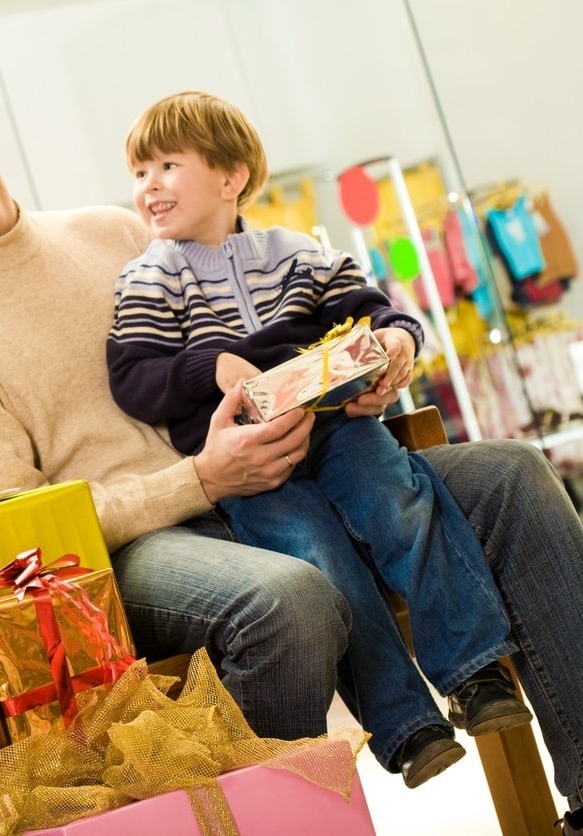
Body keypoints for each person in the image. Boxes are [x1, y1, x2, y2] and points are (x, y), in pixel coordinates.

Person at [0, 42, 583, 830]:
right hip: (136, 547)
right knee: (288, 600)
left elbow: (274, 299)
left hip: (281, 472)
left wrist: (365, 361)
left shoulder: (114, 233)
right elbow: (13, 542)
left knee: (510, 476)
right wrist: (200, 481)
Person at [105, 90, 530, 786]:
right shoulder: (149, 278)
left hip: (337, 426)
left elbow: (375, 312)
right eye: (138, 172)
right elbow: (134, 377)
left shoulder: (295, 253)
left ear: (230, 176)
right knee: (317, 559)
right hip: (253, 464)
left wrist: (397, 337)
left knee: (400, 501)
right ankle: (405, 726)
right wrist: (209, 363)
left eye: (167, 166)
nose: (147, 185)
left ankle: (479, 674)